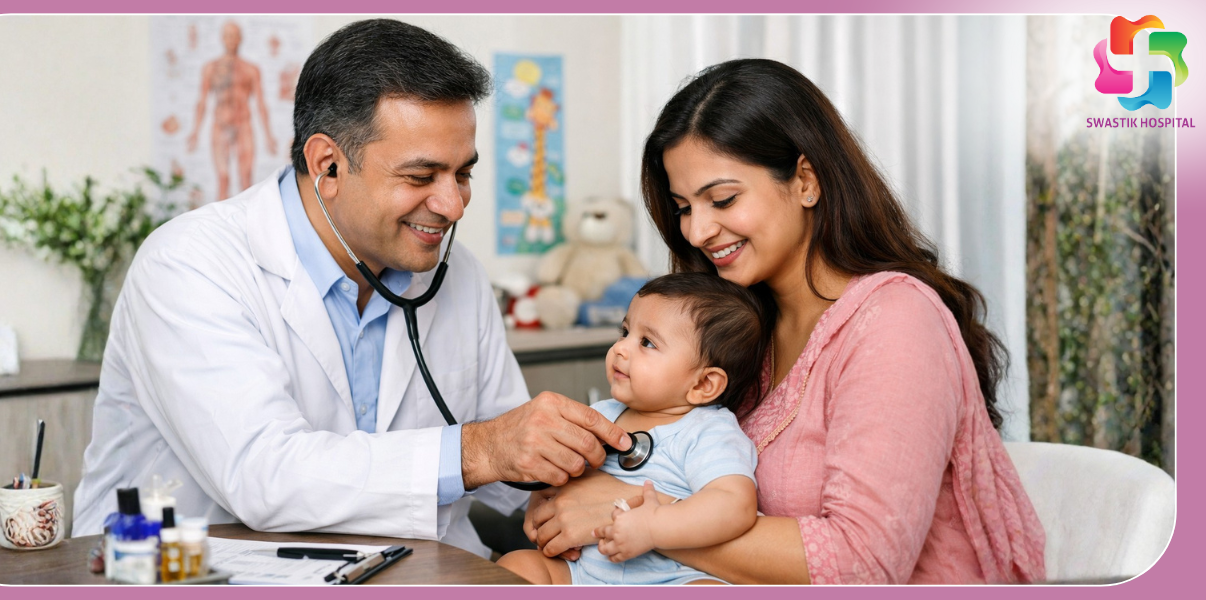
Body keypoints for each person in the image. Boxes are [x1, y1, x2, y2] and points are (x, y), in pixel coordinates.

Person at [74, 19, 633, 559]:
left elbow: (513, 461)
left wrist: (604, 475)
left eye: (463, 173)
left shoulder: (455, 272)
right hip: (192, 569)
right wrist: (479, 450)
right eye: (421, 177)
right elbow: (262, 475)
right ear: (328, 165)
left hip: (420, 569)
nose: (455, 204)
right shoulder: (191, 264)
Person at [524, 58, 1047, 584]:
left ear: (805, 181)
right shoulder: (738, 329)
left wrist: (626, 515)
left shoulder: (893, 322)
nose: (698, 231)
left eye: (723, 199)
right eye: (683, 207)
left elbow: (862, 565)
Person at [497, 273, 765, 584]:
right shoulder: (599, 415)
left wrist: (653, 527)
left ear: (704, 384)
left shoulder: (708, 432)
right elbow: (556, 469)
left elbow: (735, 505)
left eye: (647, 342)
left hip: (669, 579)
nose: (621, 348)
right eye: (624, 332)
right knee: (517, 566)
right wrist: (543, 500)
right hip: (583, 573)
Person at [187, 21, 278, 200]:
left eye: (235, 36)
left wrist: (268, 135)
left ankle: (248, 224)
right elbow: (202, 101)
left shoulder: (251, 70)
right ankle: (221, 226)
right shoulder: (211, 68)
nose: (231, 40)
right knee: (223, 178)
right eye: (228, 35)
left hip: (243, 124)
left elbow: (261, 103)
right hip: (220, 126)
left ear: (240, 39)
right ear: (222, 38)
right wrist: (195, 132)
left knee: (246, 178)